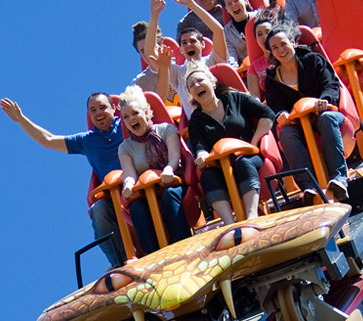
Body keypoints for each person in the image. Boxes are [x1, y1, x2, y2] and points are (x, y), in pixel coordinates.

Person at [0, 93, 125, 267]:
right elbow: (48, 140)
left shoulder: (127, 122)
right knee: (99, 210)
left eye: (103, 107)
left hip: (139, 183)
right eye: (93, 110)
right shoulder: (87, 141)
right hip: (114, 196)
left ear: (114, 108)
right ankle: (119, 264)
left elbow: (153, 107)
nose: (98, 113)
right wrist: (21, 119)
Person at [263, 25, 349, 203]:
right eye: (275, 48)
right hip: (299, 124)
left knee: (326, 119)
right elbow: (275, 105)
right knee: (286, 134)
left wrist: (325, 100)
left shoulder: (313, 60)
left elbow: (331, 85)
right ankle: (309, 186)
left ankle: (339, 178)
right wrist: (281, 114)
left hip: (326, 113)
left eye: (283, 44)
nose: (280, 50)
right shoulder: (272, 78)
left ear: (293, 43)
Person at [186, 65, 274, 225]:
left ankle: (251, 217)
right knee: (207, 176)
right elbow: (198, 145)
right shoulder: (196, 121)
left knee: (243, 163)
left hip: (249, 157)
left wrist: (254, 142)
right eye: (192, 85)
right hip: (220, 167)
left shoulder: (235, 99)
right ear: (191, 94)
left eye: (200, 81)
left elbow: (267, 114)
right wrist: (201, 155)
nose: (197, 86)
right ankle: (229, 223)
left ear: (213, 82)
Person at [117, 86, 191, 254]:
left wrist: (169, 169)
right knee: (136, 207)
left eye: (135, 113)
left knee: (169, 194)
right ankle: (154, 254)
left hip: (172, 181)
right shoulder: (125, 147)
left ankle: (182, 245)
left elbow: (174, 158)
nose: (131, 119)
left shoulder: (166, 129)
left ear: (146, 112)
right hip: (146, 191)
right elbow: (129, 174)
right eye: (126, 117)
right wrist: (128, 185)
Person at [144, 0, 228, 117]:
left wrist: (191, 4)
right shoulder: (178, 74)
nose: (188, 44)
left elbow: (218, 31)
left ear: (203, 44)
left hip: (224, 115)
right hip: (201, 126)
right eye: (184, 43)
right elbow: (149, 52)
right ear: (181, 51)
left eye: (193, 41)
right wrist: (154, 16)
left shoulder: (213, 60)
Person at [221, 0, 256, 68]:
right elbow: (231, 58)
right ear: (226, 9)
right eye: (229, 4)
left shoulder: (260, 16)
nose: (233, 5)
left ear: (244, 0)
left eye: (236, 1)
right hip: (248, 70)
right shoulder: (226, 33)